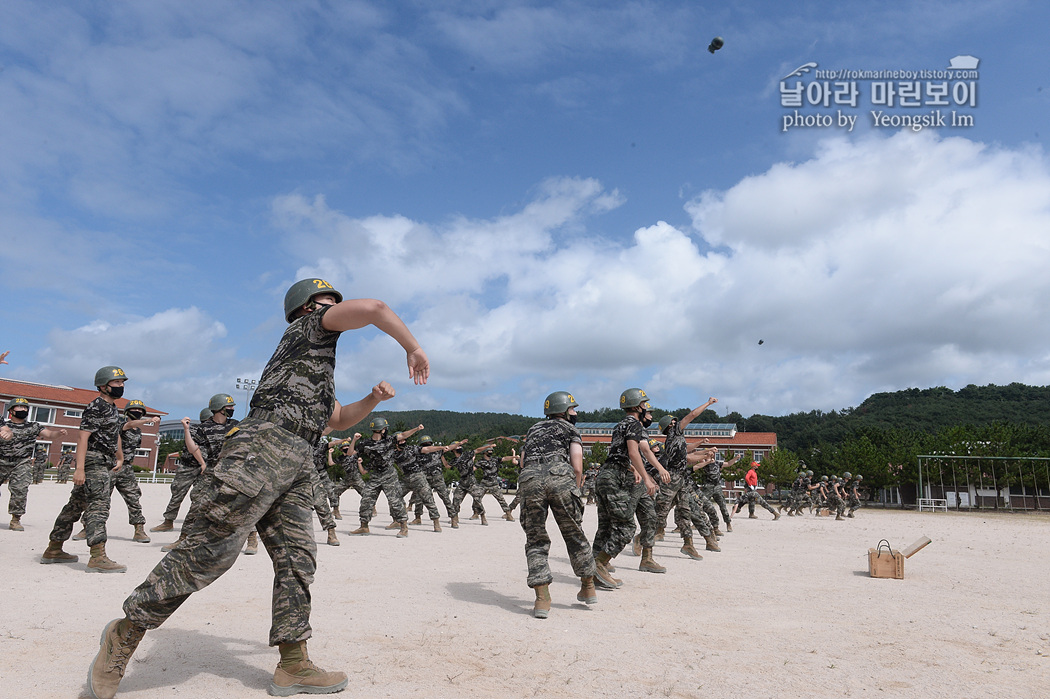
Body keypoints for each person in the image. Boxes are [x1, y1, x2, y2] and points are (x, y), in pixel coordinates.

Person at [88, 278, 429, 699]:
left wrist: (372, 401)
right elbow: (375, 308)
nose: (334, 305)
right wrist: (412, 347)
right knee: (207, 553)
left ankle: (293, 663)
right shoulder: (307, 329)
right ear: (307, 307)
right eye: (327, 300)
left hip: (299, 459)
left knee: (297, 559)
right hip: (262, 449)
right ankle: (126, 632)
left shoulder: (314, 364)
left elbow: (337, 419)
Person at [518, 391, 601, 618]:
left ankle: (542, 599)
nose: (576, 412)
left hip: (530, 478)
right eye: (573, 409)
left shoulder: (533, 429)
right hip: (560, 476)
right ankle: (587, 587)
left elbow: (523, 461)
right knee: (574, 533)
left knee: (535, 539)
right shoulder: (571, 429)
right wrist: (574, 488)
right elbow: (577, 464)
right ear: (564, 410)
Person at [41, 366, 129, 572]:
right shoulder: (96, 406)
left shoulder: (113, 408)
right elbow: (82, 437)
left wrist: (120, 455)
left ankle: (54, 548)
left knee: (75, 505)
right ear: (103, 386)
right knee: (99, 505)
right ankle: (98, 556)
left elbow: (114, 433)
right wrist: (79, 469)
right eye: (117, 383)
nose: (121, 386)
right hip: (93, 461)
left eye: (122, 382)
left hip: (105, 460)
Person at [591, 388, 663, 588]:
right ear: (637, 406)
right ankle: (600, 563)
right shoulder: (633, 424)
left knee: (605, 526)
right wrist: (648, 479)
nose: (646, 408)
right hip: (616, 477)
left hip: (606, 474)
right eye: (644, 405)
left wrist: (636, 470)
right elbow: (634, 452)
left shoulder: (621, 424)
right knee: (626, 526)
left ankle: (593, 572)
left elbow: (619, 453)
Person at [73, 400, 158, 544]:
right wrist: (148, 420)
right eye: (134, 409)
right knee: (99, 497)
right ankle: (87, 527)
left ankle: (139, 529)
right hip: (111, 466)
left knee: (133, 498)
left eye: (140, 410)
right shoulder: (120, 425)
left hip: (126, 469)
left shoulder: (138, 432)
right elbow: (130, 424)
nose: (137, 412)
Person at [1, 397, 69, 531]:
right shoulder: (4, 426)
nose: (23, 409)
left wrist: (58, 434)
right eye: (19, 407)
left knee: (20, 490)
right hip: (2, 460)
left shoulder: (33, 426)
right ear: (11, 410)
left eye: (25, 407)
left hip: (21, 462)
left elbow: (49, 434)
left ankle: (15, 519)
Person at [347, 419, 423, 537]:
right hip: (375, 476)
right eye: (385, 428)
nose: (386, 430)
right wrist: (354, 440)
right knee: (366, 500)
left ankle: (403, 527)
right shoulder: (365, 444)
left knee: (395, 501)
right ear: (381, 430)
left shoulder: (389, 440)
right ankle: (364, 527)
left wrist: (416, 429)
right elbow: (350, 453)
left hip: (389, 475)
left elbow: (403, 435)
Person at [396, 430, 449, 532]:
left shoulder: (411, 449)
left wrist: (441, 447)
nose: (402, 442)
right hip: (406, 479)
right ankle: (399, 521)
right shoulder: (393, 453)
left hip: (418, 476)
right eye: (400, 440)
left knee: (428, 499)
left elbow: (428, 448)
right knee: (395, 497)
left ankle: (436, 522)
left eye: (404, 440)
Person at [474, 445, 515, 521]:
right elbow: (473, 469)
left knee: (501, 499)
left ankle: (508, 514)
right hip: (484, 482)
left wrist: (513, 457)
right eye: (489, 451)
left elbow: (504, 458)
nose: (491, 452)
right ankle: (476, 513)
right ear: (484, 452)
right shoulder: (481, 461)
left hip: (493, 483)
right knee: (477, 498)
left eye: (491, 451)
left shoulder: (495, 459)